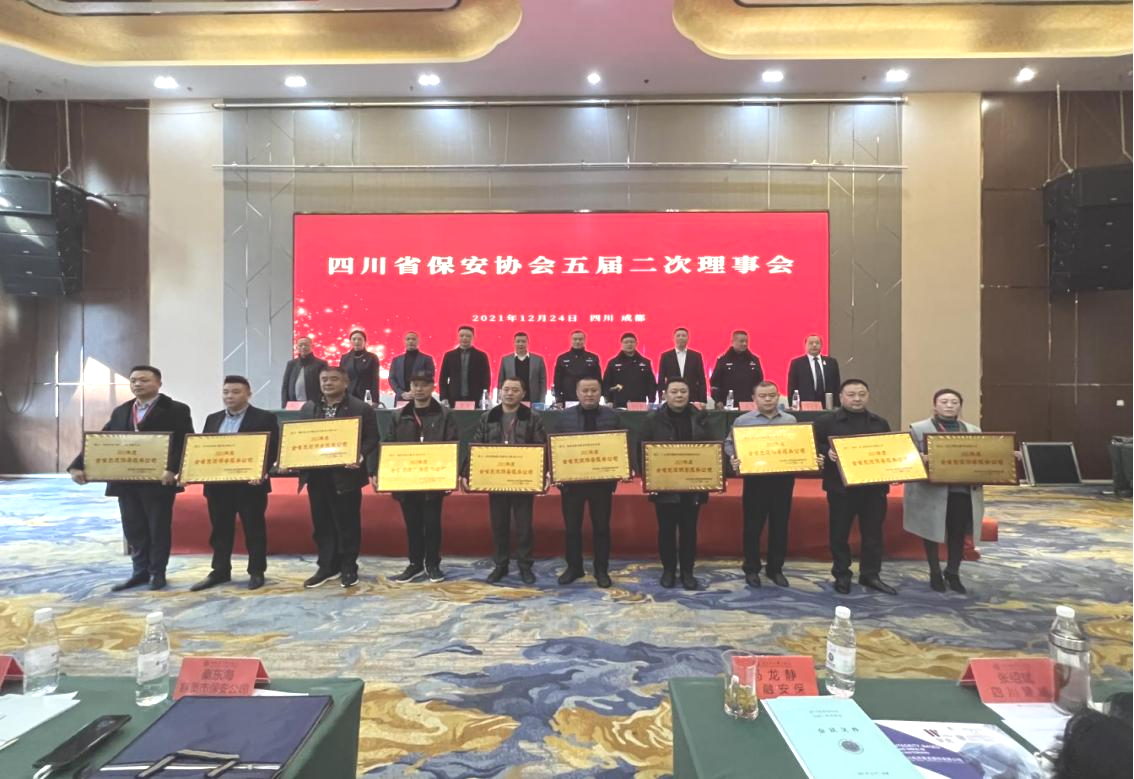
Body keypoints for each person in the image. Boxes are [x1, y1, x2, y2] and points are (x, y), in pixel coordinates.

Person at [67, 365, 194, 592]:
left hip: (158, 481)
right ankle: (139, 572)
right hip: (126, 480)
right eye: (134, 380)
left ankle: (157, 573)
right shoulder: (122, 411)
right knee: (133, 528)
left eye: (144, 380)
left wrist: (172, 469)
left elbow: (185, 441)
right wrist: (77, 465)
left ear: (159, 383)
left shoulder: (176, 409)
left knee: (157, 528)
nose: (137, 384)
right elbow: (102, 440)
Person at [725, 381, 821, 588]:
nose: (768, 399)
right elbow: (729, 443)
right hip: (755, 481)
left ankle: (775, 568)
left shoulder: (790, 420)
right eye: (763, 396)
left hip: (782, 481)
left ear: (778, 397)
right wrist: (734, 457)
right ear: (754, 399)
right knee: (752, 526)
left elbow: (799, 444)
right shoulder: (743, 421)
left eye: (772, 395)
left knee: (779, 526)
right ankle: (751, 568)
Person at [190, 375, 280, 592]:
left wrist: (262, 471)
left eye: (236, 392)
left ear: (248, 394)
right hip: (218, 486)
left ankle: (256, 571)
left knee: (254, 529)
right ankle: (220, 570)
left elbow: (273, 448)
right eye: (226, 392)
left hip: (250, 485)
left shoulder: (264, 417)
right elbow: (205, 449)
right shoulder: (213, 419)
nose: (230, 396)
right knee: (220, 530)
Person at [295, 366, 379, 589]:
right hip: (316, 475)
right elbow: (299, 438)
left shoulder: (360, 408)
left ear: (345, 383)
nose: (328, 383)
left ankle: (348, 566)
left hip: (346, 475)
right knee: (321, 522)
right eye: (324, 379)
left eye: (333, 379)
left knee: (347, 523)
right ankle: (326, 566)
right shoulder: (309, 408)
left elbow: (372, 438)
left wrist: (360, 455)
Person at [813, 379, 897, 595]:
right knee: (839, 534)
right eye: (851, 395)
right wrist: (826, 452)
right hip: (841, 489)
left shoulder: (880, 423)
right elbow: (811, 446)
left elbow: (889, 451)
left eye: (862, 394)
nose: (857, 398)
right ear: (841, 397)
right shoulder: (825, 422)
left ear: (868, 396)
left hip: (874, 489)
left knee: (873, 534)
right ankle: (842, 574)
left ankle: (871, 575)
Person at [462, 376, 548, 584]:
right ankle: (501, 565)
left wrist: (544, 472)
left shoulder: (532, 417)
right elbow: (477, 444)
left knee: (524, 526)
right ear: (500, 392)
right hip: (496, 478)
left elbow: (541, 447)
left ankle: (525, 566)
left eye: (515, 390)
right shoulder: (488, 416)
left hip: (523, 479)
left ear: (523, 394)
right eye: (506, 389)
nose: (509, 393)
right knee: (499, 525)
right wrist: (466, 472)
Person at [904, 389, 983, 594]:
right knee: (931, 532)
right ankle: (934, 572)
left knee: (958, 533)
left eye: (954, 402)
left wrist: (1006, 457)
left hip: (962, 491)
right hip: (932, 491)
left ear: (960, 406)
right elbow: (906, 457)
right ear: (935, 405)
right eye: (944, 401)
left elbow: (983, 456)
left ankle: (953, 571)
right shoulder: (918, 429)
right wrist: (920, 458)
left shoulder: (973, 430)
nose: (949, 406)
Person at [385, 371, 461, 583]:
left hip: (433, 480)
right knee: (412, 524)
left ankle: (433, 564)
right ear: (410, 387)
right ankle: (415, 564)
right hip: (406, 480)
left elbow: (452, 444)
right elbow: (389, 444)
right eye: (415, 385)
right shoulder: (399, 415)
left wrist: (449, 474)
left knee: (432, 523)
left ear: (432, 387)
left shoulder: (445, 415)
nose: (419, 389)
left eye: (424, 385)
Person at [640, 378, 715, 590]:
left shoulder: (701, 417)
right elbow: (641, 449)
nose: (679, 395)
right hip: (664, 485)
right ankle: (669, 570)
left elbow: (711, 448)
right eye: (674, 391)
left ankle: (687, 572)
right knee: (666, 530)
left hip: (693, 486)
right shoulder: (652, 419)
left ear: (689, 394)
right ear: (665, 395)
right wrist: (649, 478)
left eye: (683, 391)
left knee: (689, 531)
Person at [553, 376, 624, 588]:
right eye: (585, 391)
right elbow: (555, 448)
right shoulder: (564, 418)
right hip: (572, 484)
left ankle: (601, 570)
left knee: (601, 528)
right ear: (577, 393)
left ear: (600, 392)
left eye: (594, 390)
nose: (589, 394)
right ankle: (574, 567)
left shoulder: (612, 416)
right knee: (572, 528)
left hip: (601, 484)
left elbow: (621, 445)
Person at [438, 325, 492, 407]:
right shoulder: (449, 355)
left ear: (473, 338)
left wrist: (484, 397)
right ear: (458, 337)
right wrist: (444, 397)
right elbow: (443, 378)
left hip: (475, 397)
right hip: (453, 397)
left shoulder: (481, 356)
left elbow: (486, 378)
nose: (464, 338)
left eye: (468, 336)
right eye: (461, 336)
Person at [602, 332, 657, 408]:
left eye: (632, 342)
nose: (629, 344)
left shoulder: (645, 362)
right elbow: (606, 383)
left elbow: (651, 383)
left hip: (639, 402)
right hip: (618, 403)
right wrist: (608, 400)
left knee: (638, 416)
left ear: (636, 343)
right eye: (626, 342)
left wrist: (651, 401)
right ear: (621, 344)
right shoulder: (613, 363)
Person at [710, 330, 763, 407]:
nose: (744, 344)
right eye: (741, 341)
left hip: (749, 403)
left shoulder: (754, 360)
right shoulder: (723, 360)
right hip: (728, 404)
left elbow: (759, 382)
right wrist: (718, 400)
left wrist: (758, 399)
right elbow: (715, 383)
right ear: (732, 342)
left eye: (746, 341)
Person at [787, 334, 841, 408]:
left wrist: (837, 405)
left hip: (828, 404)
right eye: (811, 343)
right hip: (805, 405)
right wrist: (793, 406)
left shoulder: (831, 362)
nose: (814, 345)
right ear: (805, 345)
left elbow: (837, 385)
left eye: (817, 343)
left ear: (821, 345)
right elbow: (792, 386)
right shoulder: (797, 363)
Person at [657, 327, 708, 405]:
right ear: (673, 338)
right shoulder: (666, 356)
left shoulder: (696, 356)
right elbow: (661, 379)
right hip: (672, 397)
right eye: (678, 335)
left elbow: (701, 380)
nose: (681, 338)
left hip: (692, 397)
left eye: (684, 335)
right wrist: (662, 396)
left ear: (688, 338)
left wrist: (703, 400)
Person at [552, 330, 602, 406]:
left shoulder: (593, 357)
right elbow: (557, 381)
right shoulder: (562, 358)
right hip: (567, 397)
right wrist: (558, 399)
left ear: (584, 340)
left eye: (580, 339)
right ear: (571, 340)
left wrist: (598, 397)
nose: (578, 341)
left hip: (588, 397)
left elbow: (598, 380)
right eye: (575, 339)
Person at [497, 331, 547, 404]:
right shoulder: (506, 360)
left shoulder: (538, 360)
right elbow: (501, 381)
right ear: (513, 343)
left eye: (523, 341)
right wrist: (500, 399)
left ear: (528, 343)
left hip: (533, 399)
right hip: (511, 399)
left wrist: (542, 401)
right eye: (518, 341)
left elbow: (543, 382)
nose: (520, 344)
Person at [389, 331, 435, 404]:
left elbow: (429, 377)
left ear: (418, 341)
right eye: (408, 339)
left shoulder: (427, 359)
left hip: (420, 398)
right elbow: (392, 378)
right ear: (404, 342)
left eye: (413, 339)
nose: (411, 341)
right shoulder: (396, 360)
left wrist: (414, 391)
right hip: (401, 398)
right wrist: (401, 393)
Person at [280, 336, 328, 406]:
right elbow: (285, 385)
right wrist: (284, 404)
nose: (303, 347)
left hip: (315, 404)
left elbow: (325, 385)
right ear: (296, 347)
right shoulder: (291, 364)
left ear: (312, 346)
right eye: (300, 345)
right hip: (293, 404)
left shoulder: (321, 364)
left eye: (306, 345)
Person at [339, 329, 381, 402]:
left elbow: (375, 380)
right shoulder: (345, 358)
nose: (356, 341)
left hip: (366, 395)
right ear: (350, 341)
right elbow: (341, 378)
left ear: (364, 341)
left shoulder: (372, 357)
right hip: (348, 394)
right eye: (354, 339)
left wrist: (375, 399)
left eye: (359, 339)